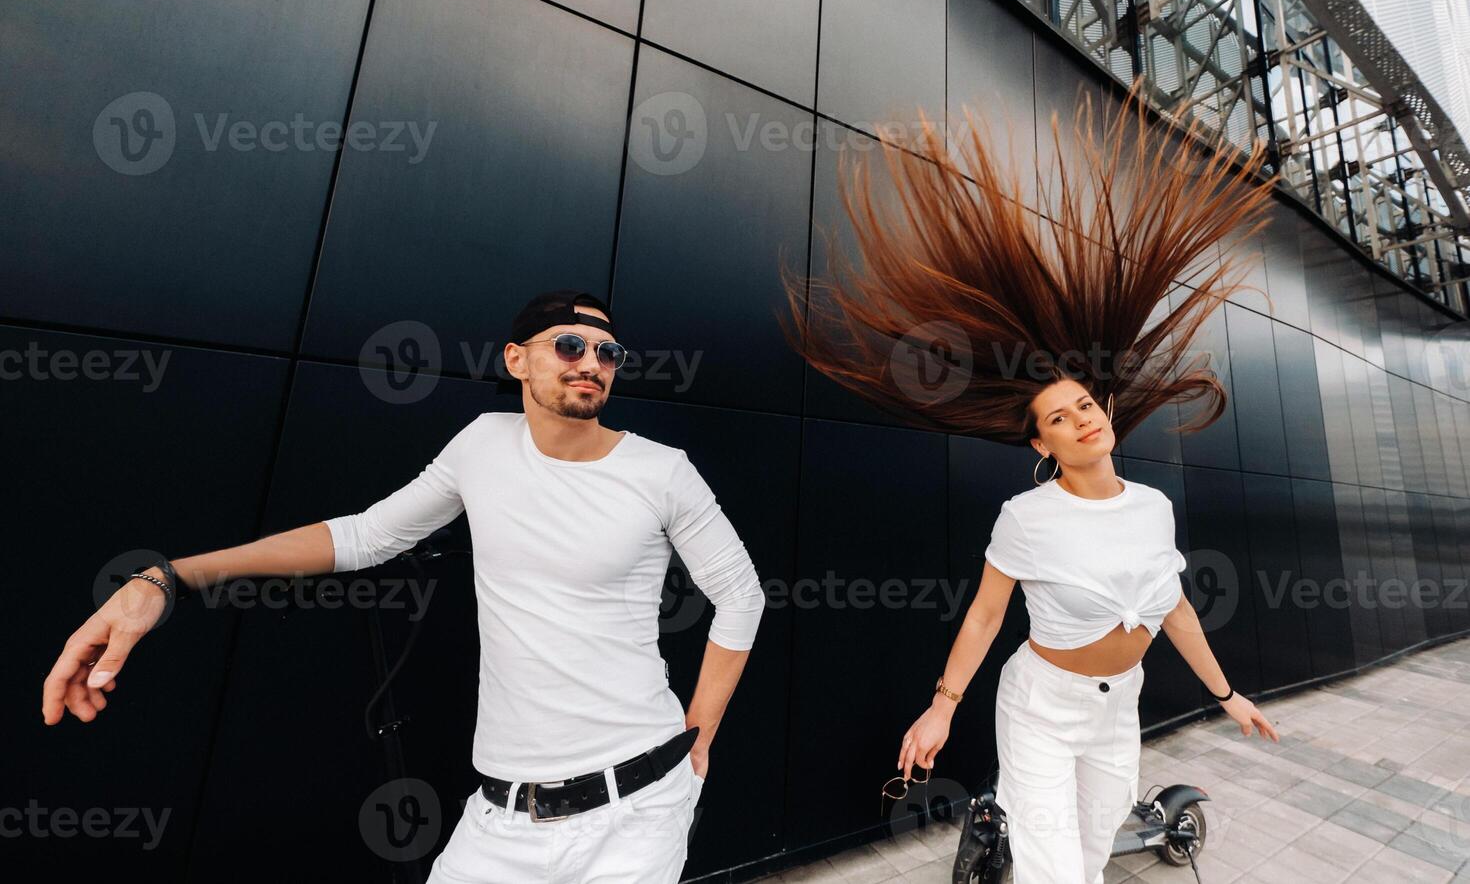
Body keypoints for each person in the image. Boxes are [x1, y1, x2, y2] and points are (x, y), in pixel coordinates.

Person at [41, 288, 766, 884]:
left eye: (608, 353)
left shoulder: (660, 470)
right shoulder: (483, 444)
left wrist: (700, 733)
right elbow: (363, 536)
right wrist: (168, 577)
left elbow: (741, 592)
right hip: (500, 819)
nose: (592, 363)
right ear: (517, 359)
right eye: (569, 345)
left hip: (634, 811)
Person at [779, 75, 1281, 882]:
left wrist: (1229, 698)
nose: (1081, 418)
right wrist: (943, 706)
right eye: (1059, 416)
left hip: (1120, 709)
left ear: (1106, 409)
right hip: (1041, 709)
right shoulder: (1026, 515)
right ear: (1042, 445)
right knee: (1053, 871)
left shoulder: (1152, 508)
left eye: (1086, 403)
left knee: (1091, 853)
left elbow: (1176, 608)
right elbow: (984, 617)